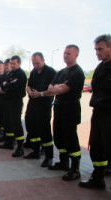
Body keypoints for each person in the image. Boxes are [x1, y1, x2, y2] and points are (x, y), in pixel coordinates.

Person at [48, 45, 85, 181]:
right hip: (58, 107)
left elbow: (61, 89)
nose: (65, 55)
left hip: (70, 108)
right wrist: (55, 88)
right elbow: (51, 87)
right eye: (64, 53)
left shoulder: (77, 72)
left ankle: (75, 169)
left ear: (76, 55)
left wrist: (57, 88)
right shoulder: (62, 72)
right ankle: (64, 162)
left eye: (68, 53)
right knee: (58, 136)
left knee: (70, 139)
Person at [79, 34, 111, 190]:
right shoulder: (100, 67)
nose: (97, 52)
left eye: (100, 49)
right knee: (96, 146)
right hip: (98, 112)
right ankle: (98, 178)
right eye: (96, 49)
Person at [23, 52, 56, 168]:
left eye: (37, 63)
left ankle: (49, 156)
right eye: (33, 63)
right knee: (31, 125)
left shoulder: (51, 72)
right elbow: (28, 85)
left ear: (43, 60)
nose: (35, 65)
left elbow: (52, 90)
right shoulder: (33, 72)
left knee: (44, 129)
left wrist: (40, 94)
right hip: (33, 103)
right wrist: (30, 92)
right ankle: (35, 151)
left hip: (44, 104)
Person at [0, 56, 27, 157]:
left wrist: (6, 85)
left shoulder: (20, 74)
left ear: (19, 63)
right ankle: (9, 142)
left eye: (14, 63)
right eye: (11, 63)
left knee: (16, 124)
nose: (12, 65)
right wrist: (5, 85)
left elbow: (11, 86)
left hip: (15, 102)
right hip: (7, 101)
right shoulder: (11, 73)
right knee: (7, 122)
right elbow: (4, 84)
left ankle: (20, 147)